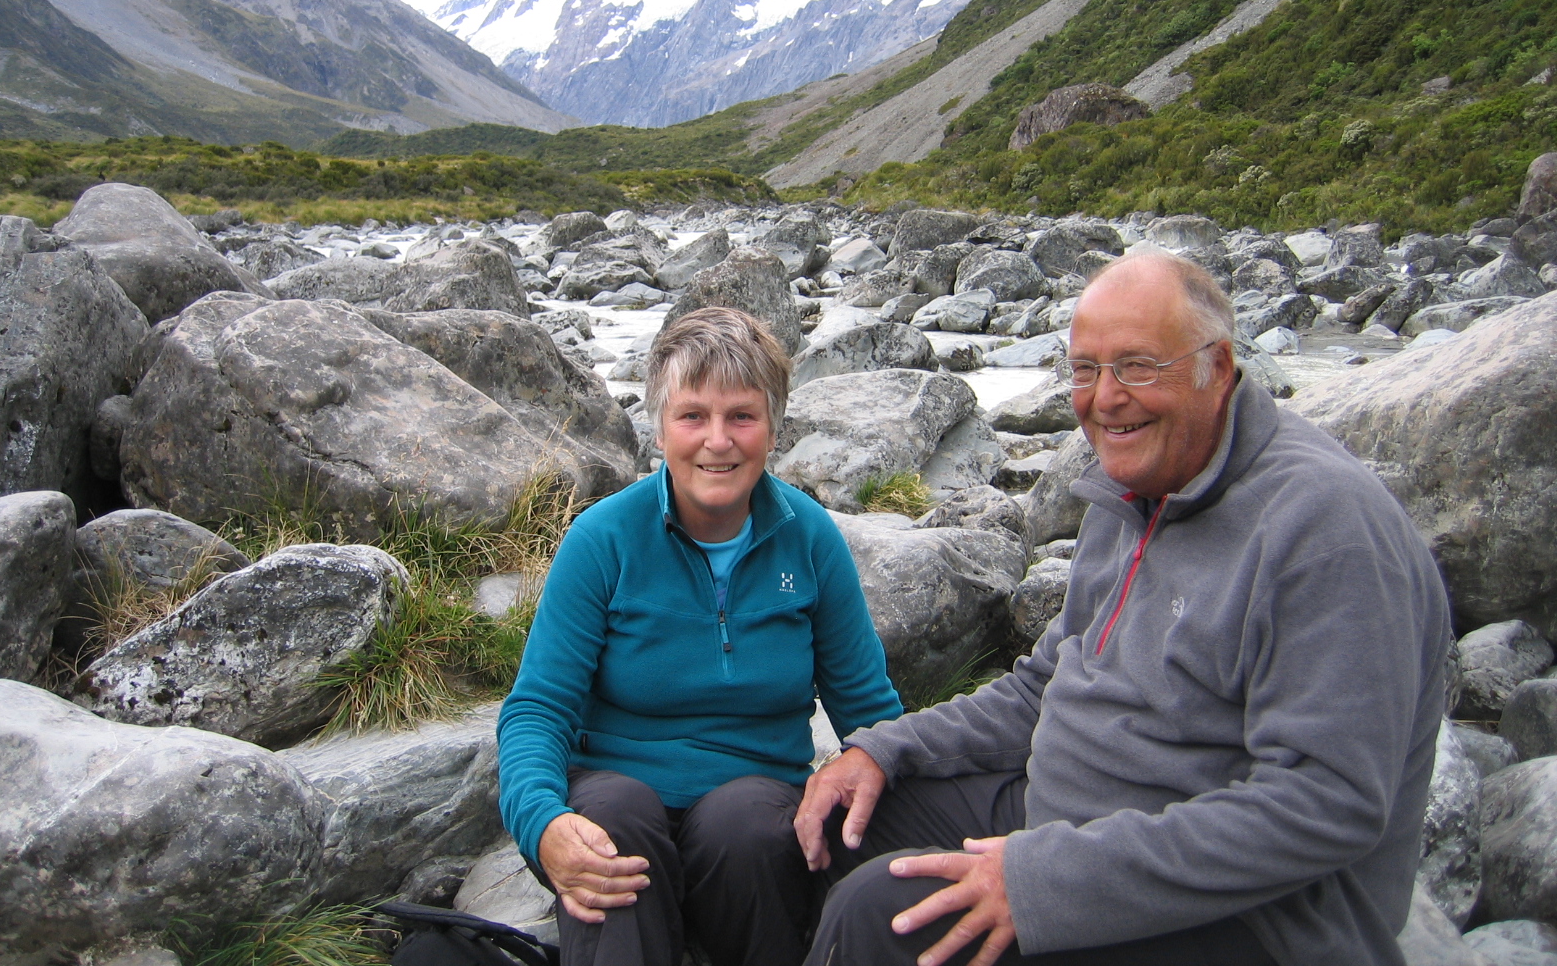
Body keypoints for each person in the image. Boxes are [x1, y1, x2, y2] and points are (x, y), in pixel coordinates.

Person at [794, 251, 1451, 966]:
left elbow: (1325, 806)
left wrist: (1042, 883)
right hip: (1068, 819)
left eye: (1138, 366)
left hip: (1256, 921)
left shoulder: (1326, 530)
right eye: (1084, 369)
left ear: (1219, 367)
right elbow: (1041, 688)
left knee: (883, 915)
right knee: (833, 822)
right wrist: (883, 748)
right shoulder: (1138, 487)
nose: (1105, 398)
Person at [497, 305, 903, 966]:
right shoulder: (602, 540)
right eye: (693, 416)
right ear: (660, 429)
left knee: (743, 826)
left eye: (741, 416)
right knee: (613, 825)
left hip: (755, 807)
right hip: (616, 788)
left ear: (773, 428)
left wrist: (905, 790)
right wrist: (541, 824)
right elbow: (537, 712)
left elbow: (870, 714)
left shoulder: (811, 537)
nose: (719, 440)